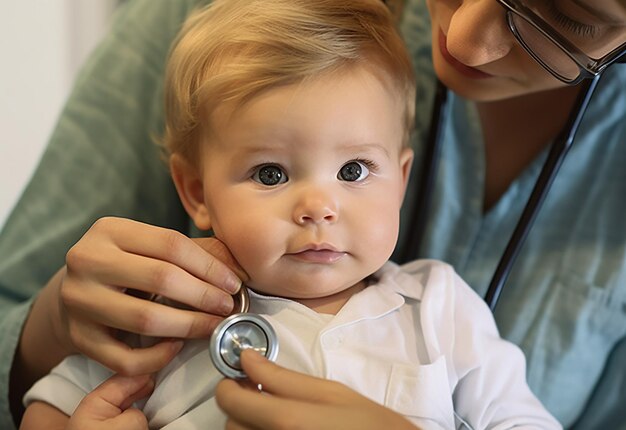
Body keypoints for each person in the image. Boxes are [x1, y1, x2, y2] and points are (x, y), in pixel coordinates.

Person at [1, 0, 625, 428]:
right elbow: (50, 401)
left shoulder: (439, 310)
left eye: (354, 172)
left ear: (399, 178)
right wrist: (51, 328)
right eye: (270, 174)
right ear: (194, 192)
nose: (319, 207)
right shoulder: (164, 319)